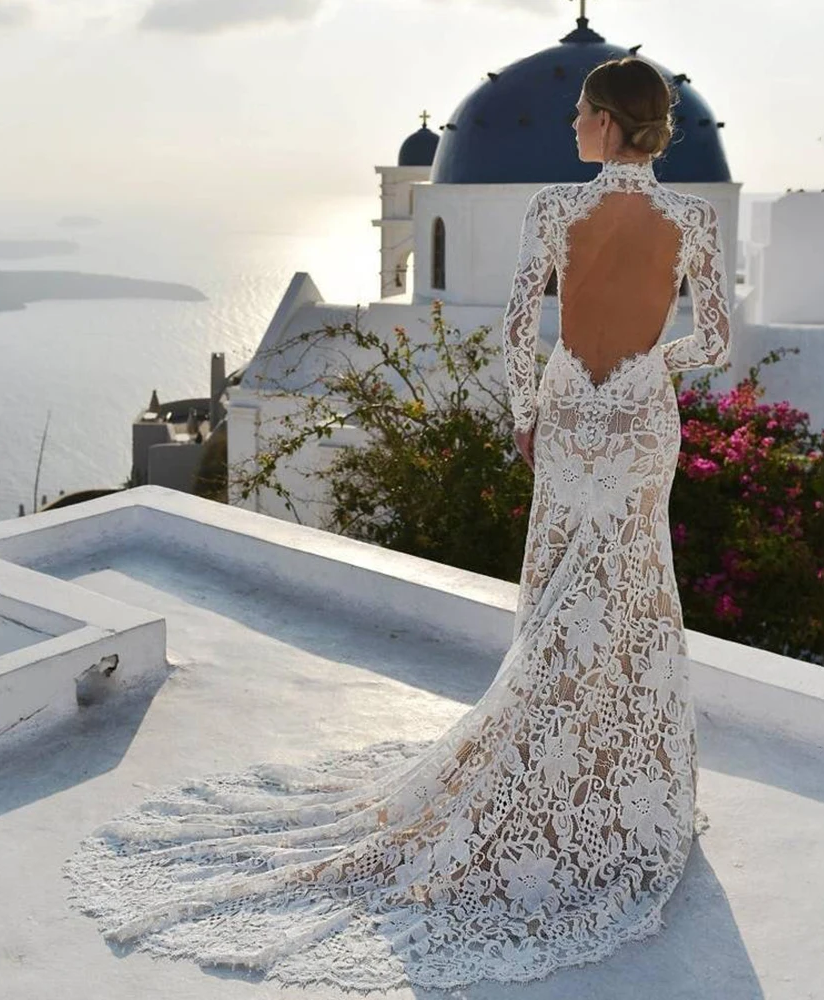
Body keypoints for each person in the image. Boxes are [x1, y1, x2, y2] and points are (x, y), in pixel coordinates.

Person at [63, 56, 731, 992]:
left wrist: (529, 412)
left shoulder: (554, 209)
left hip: (572, 418)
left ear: (614, 123)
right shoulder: (692, 217)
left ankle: (549, 777)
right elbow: (715, 341)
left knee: (557, 600)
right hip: (641, 425)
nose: (573, 124)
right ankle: (624, 786)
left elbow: (517, 329)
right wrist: (652, 363)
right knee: (632, 596)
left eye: (584, 112)